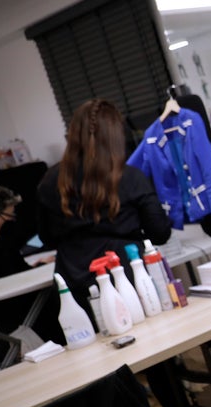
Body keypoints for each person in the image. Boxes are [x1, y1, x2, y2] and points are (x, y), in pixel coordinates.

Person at [37, 98, 171, 311]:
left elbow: (46, 237)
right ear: (116, 136)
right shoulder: (130, 178)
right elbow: (159, 233)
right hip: (127, 276)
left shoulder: (50, 181)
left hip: (73, 282)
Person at [0, 183, 63, 343]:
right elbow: (19, 283)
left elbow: (6, 276)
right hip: (23, 322)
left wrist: (32, 267)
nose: (11, 220)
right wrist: (41, 267)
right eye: (9, 216)